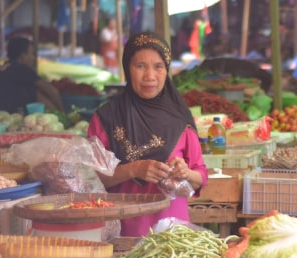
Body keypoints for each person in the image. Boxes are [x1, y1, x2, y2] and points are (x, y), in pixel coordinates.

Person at [87, 31, 208, 237]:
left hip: (173, 235)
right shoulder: (106, 118)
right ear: (128, 69)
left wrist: (186, 173)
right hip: (122, 233)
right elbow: (91, 178)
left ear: (166, 70)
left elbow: (201, 176)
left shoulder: (180, 120)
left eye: (158, 67)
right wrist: (134, 169)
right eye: (140, 66)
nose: (150, 76)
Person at [0, 37, 64, 113]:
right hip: (3, 112)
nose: (34, 58)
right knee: (34, 92)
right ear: (22, 56)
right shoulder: (21, 69)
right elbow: (52, 91)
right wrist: (63, 112)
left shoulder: (3, 69)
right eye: (32, 54)